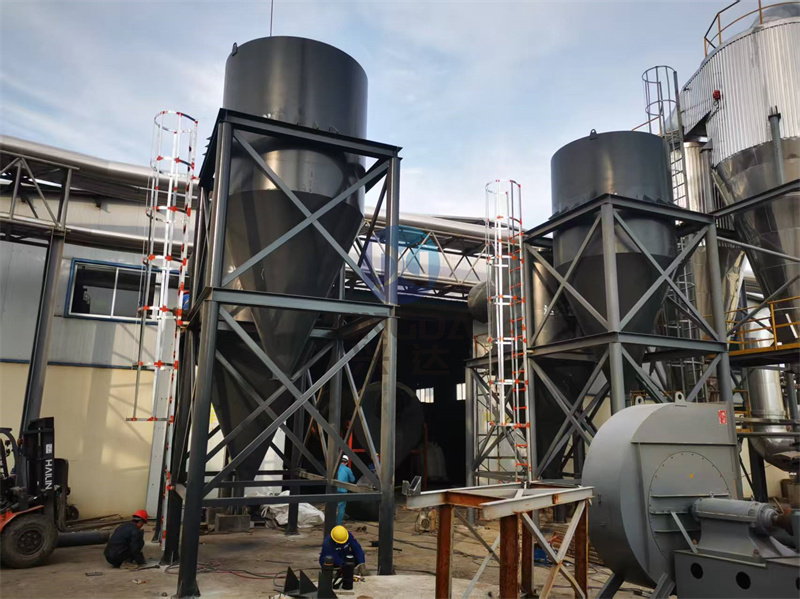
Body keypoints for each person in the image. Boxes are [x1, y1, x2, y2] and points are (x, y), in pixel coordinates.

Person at [336, 455, 355, 525]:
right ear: (346, 462)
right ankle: (338, 524)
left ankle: (329, 522)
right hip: (342, 491)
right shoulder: (347, 470)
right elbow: (352, 480)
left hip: (333, 490)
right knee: (341, 507)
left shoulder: (335, 468)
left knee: (331, 506)